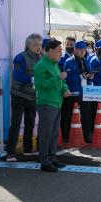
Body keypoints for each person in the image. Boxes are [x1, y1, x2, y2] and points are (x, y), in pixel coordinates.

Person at [34, 39, 70, 172]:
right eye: (59, 51)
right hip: (46, 103)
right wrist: (58, 78)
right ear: (49, 51)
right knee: (45, 133)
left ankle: (52, 158)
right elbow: (40, 85)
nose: (61, 53)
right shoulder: (41, 65)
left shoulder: (55, 64)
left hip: (56, 102)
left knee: (54, 133)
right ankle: (44, 161)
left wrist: (65, 88)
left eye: (61, 51)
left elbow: (61, 80)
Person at [6, 34, 42, 162]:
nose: (38, 47)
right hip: (19, 95)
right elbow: (17, 75)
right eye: (35, 45)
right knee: (15, 124)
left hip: (32, 96)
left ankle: (27, 149)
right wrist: (34, 79)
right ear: (28, 45)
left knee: (30, 123)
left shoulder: (40, 58)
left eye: (39, 45)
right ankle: (10, 152)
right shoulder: (20, 57)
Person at [62, 41, 90, 143]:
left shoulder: (84, 60)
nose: (83, 52)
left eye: (84, 50)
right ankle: (66, 136)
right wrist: (81, 76)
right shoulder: (69, 61)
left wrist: (90, 75)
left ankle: (86, 136)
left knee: (85, 115)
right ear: (75, 50)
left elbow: (88, 72)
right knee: (70, 116)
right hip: (73, 93)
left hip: (84, 92)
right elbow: (67, 78)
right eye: (81, 50)